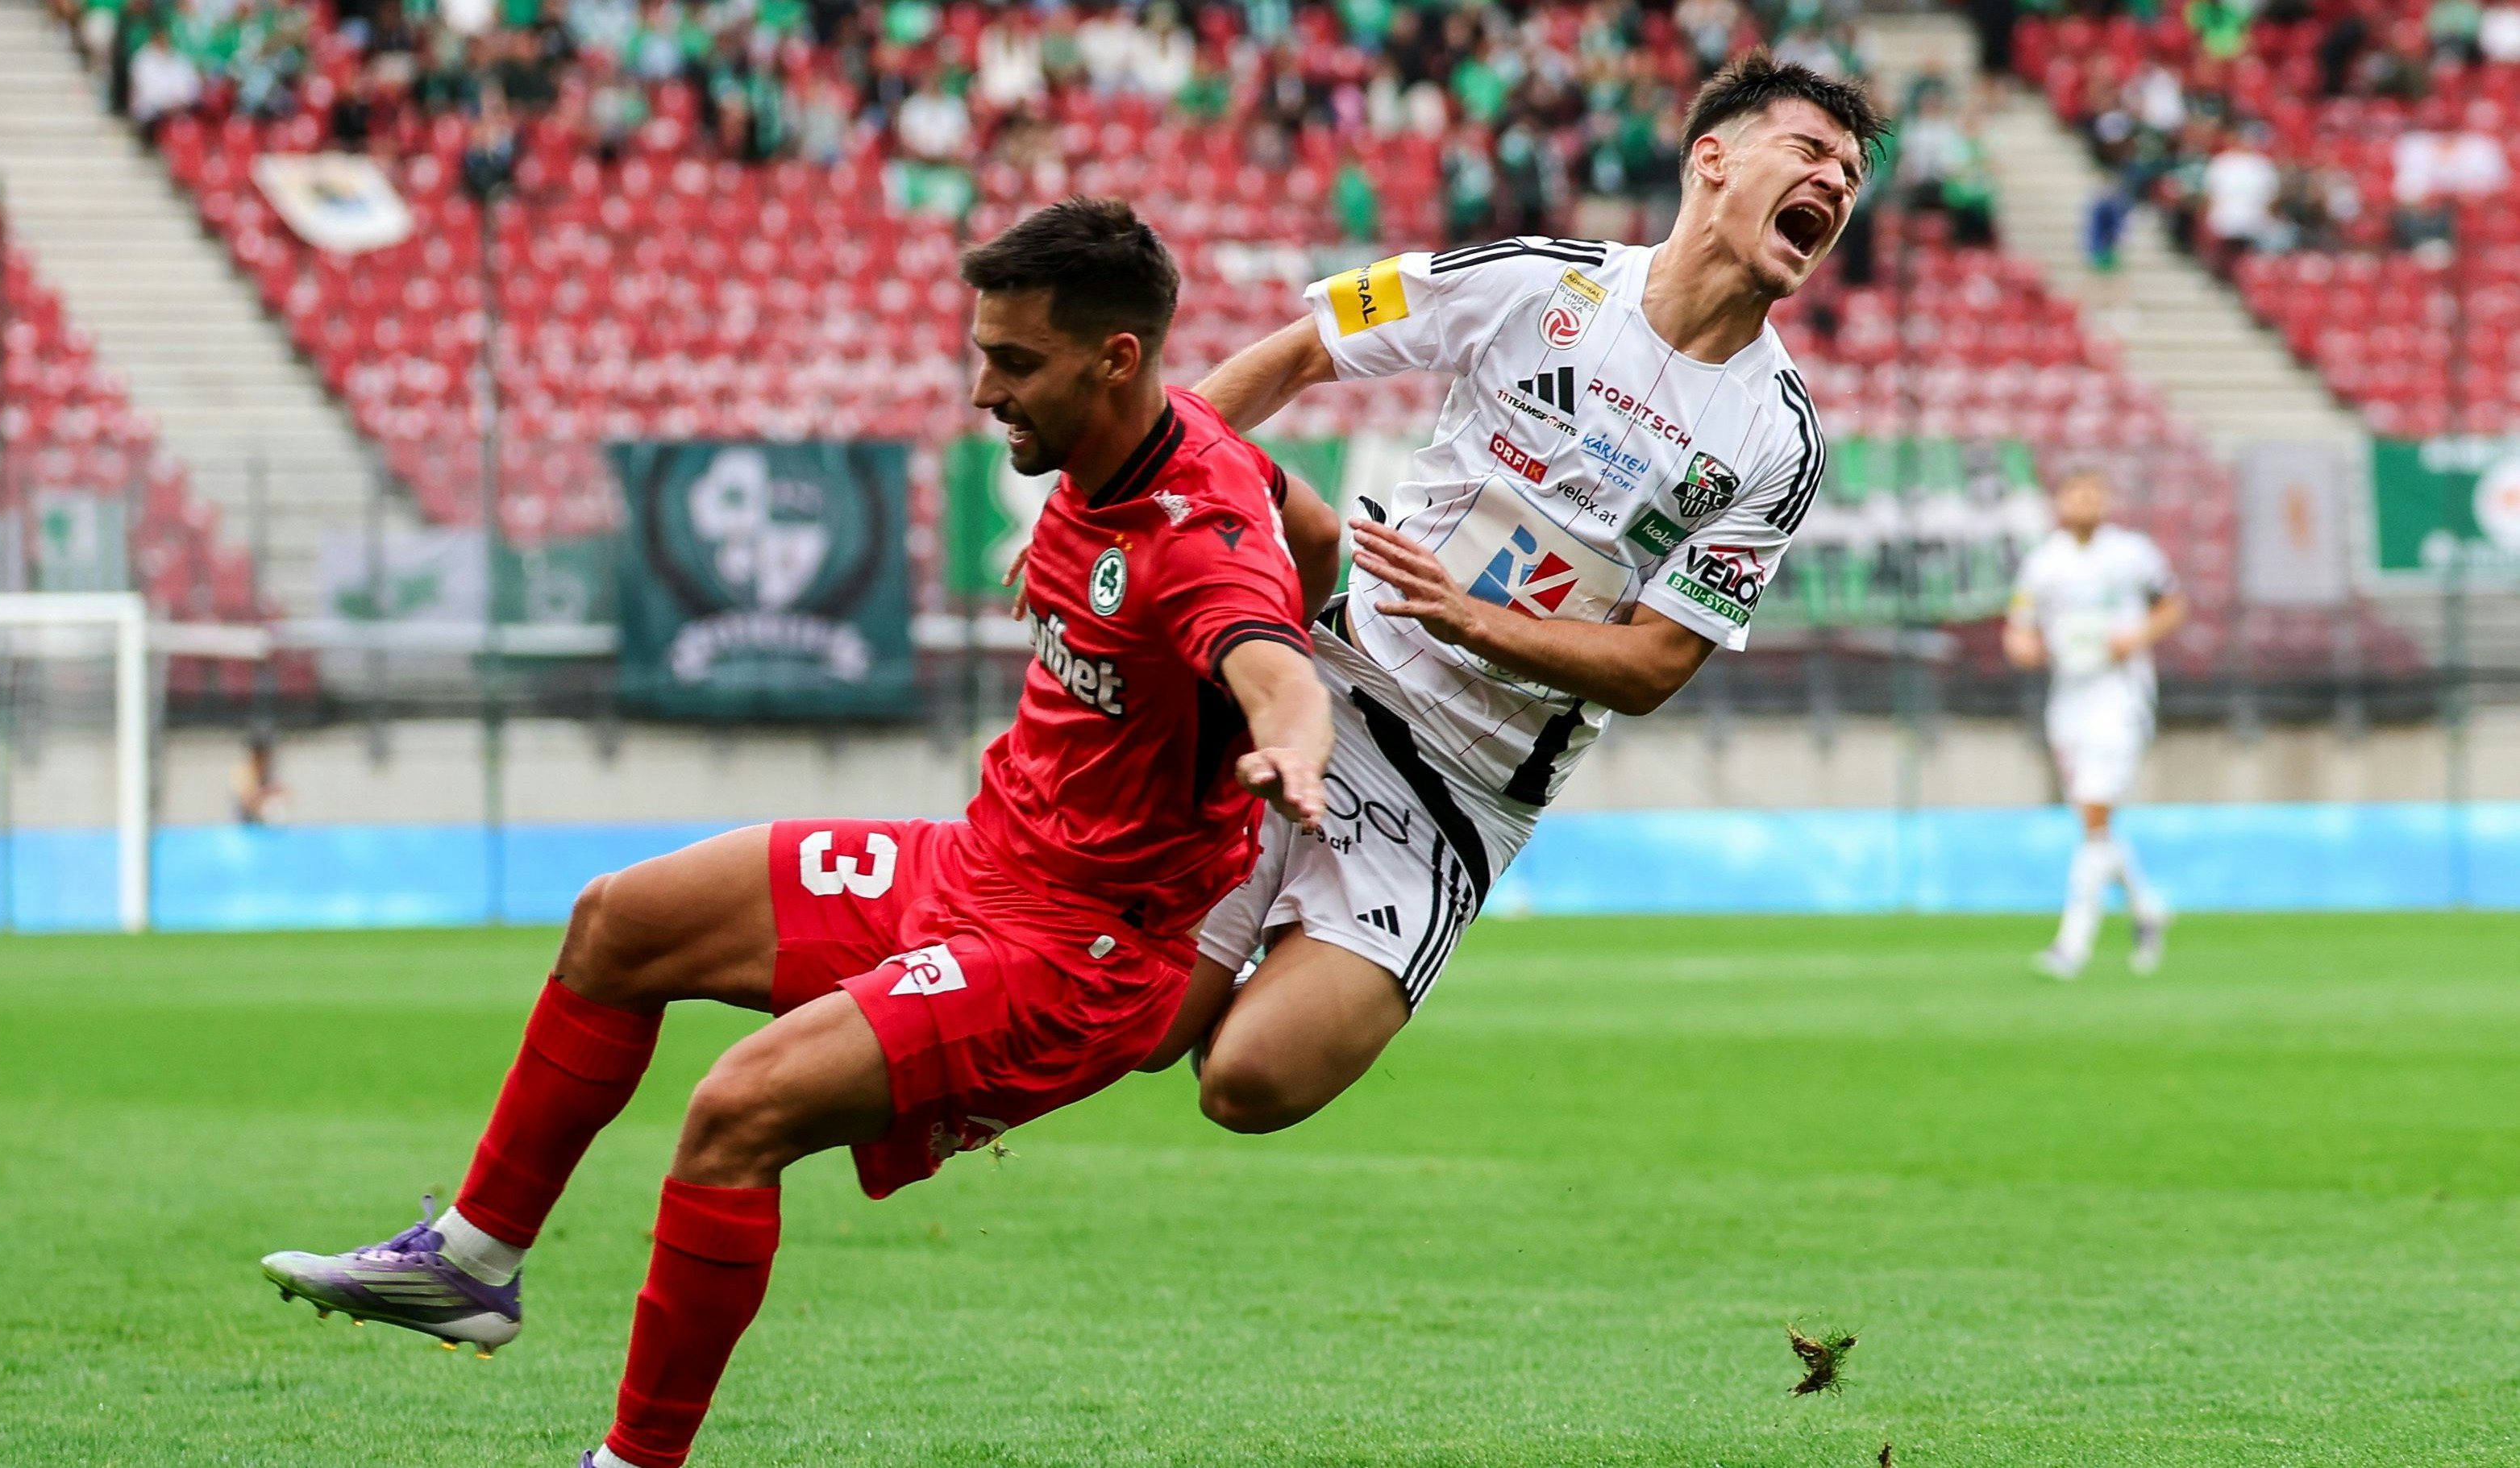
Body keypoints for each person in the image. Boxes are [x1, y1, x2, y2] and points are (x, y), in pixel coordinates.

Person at [257, 198, 1337, 1468]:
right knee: (620, 921)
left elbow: (1272, 655)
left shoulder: (1196, 549)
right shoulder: (1158, 441)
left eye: (1015, 363)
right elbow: (1307, 535)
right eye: (983, 350)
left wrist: (1285, 733)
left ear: (1115, 360)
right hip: (978, 864)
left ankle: (634, 1462)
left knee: (735, 1115)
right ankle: (472, 1261)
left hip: (1078, 955)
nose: (983, 388)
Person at [1162, 52, 1882, 1137]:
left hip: (1461, 793)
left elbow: (1652, 667)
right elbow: (1304, 351)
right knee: (1143, 1025)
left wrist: (1470, 618)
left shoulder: (1776, 440)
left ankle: (1283, 954)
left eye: (1851, 173)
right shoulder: (1539, 279)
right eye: (1811, 151)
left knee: (1245, 1084)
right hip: (1326, 694)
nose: (1834, 181)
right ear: (1712, 160)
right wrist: (1132, 502)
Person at [2002, 466, 2185, 980]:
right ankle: (2147, 907)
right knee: (2094, 821)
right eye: (2075, 494)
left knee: (2092, 815)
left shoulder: (2132, 553)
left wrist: (2138, 636)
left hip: (2120, 696)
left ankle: (2072, 946)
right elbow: (2019, 627)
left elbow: (2174, 605)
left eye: (2093, 493)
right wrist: (2025, 648)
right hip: (2069, 699)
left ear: (2105, 501)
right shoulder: (2043, 564)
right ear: (2059, 502)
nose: (2085, 502)